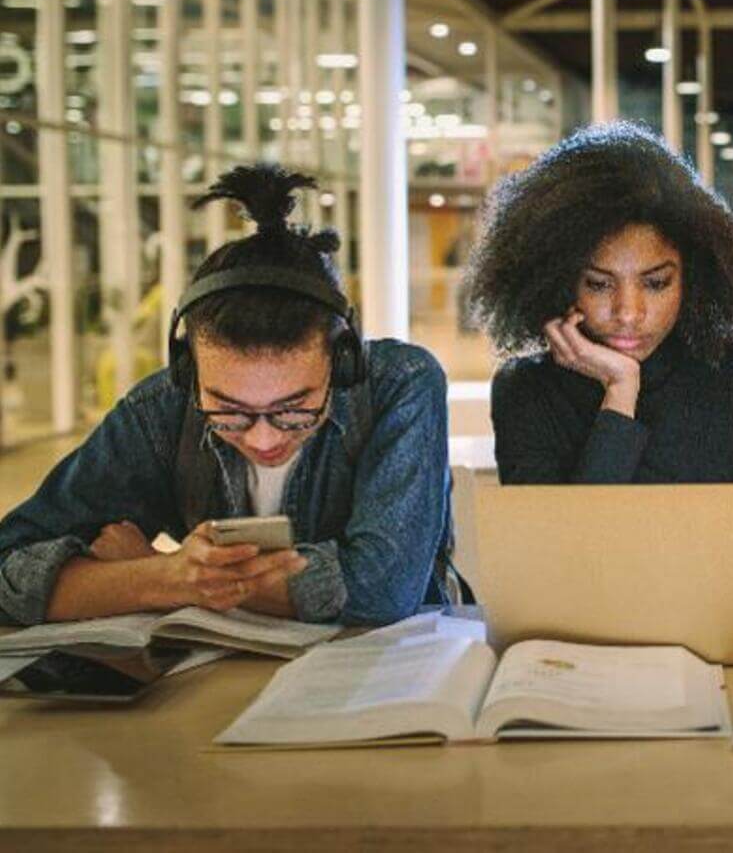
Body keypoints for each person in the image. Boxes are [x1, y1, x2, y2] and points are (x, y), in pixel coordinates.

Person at [0, 164, 454, 626]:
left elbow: (383, 592)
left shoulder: (400, 383)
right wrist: (166, 577)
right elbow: (10, 564)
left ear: (343, 363)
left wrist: (148, 573)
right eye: (229, 411)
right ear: (187, 369)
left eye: (294, 410)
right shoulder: (161, 409)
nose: (262, 439)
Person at [464, 122, 733, 601]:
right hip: (581, 637)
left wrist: (699, 597)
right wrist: (620, 393)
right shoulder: (525, 390)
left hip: (717, 627)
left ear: (692, 277)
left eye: (656, 283)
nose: (628, 312)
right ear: (559, 279)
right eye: (600, 284)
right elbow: (562, 568)